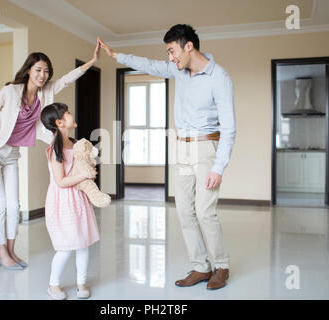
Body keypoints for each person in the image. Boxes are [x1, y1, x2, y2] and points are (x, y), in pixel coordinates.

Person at [0, 39, 101, 270]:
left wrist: (92, 61)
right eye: (38, 70)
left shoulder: (45, 92)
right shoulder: (10, 92)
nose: (42, 75)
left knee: (14, 206)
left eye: (46, 71)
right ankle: (1, 252)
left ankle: (11, 251)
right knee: (0, 205)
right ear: (28, 70)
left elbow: (67, 79)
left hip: (12, 153)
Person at [99, 24, 236, 290]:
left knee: (205, 211)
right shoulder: (178, 69)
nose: (170, 58)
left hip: (207, 147)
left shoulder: (219, 77)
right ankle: (200, 267)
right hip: (181, 148)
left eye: (172, 51)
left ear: (189, 46)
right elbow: (150, 65)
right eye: (168, 53)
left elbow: (229, 128)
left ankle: (222, 266)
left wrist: (219, 167)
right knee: (184, 210)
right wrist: (116, 56)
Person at [40, 102, 100, 300]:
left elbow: (84, 165)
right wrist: (84, 176)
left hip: (79, 199)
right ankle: (53, 284)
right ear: (59, 122)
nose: (71, 114)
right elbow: (62, 181)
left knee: (83, 243)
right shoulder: (54, 150)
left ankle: (81, 282)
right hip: (63, 202)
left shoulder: (76, 144)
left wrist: (88, 172)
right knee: (66, 247)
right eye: (67, 113)